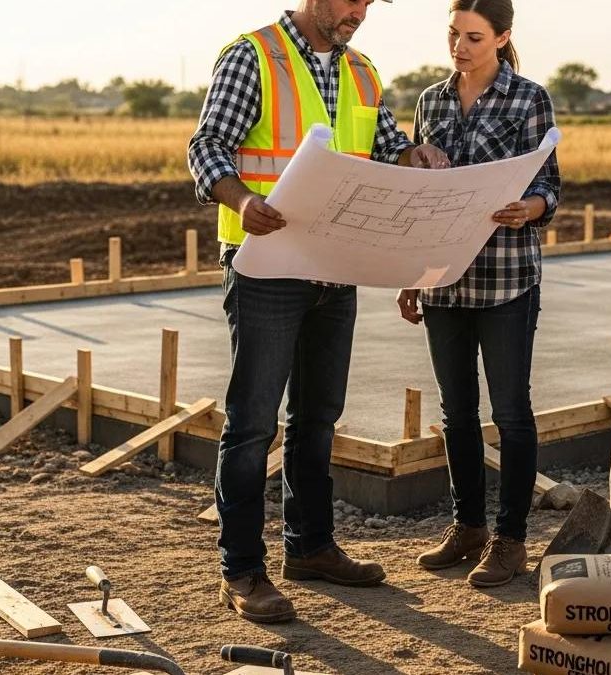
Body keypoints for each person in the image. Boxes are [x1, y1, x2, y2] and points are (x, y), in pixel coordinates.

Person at [188, 0, 449, 624]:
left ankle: (309, 549)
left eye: (369, 2)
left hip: (336, 266)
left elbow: (387, 147)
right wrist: (241, 201)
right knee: (253, 424)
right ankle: (241, 570)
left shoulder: (361, 70)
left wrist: (414, 156)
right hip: (266, 265)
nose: (360, 11)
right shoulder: (254, 56)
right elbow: (207, 147)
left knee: (318, 418)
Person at [396, 0, 561, 588]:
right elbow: (420, 197)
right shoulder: (431, 101)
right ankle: (467, 528)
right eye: (453, 35)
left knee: (511, 413)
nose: (459, 47)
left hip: (506, 278)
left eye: (473, 37)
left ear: (502, 37)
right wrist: (412, 275)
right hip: (443, 279)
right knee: (456, 413)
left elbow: (549, 184)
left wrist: (529, 208)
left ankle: (510, 541)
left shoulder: (529, 98)